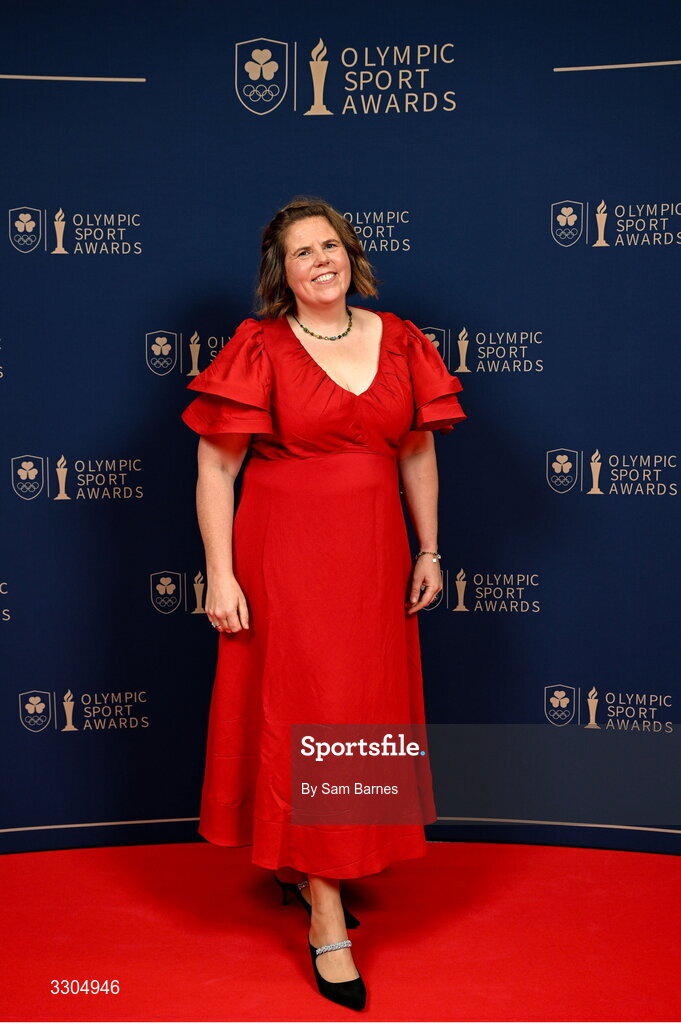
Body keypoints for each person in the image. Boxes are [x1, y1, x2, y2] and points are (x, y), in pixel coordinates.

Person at [181, 196, 467, 1011]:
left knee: (361, 712)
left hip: (373, 558)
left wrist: (430, 549)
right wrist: (220, 572)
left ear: (351, 255)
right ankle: (327, 917)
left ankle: (316, 863)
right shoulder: (259, 346)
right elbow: (214, 470)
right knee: (308, 710)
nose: (320, 260)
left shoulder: (400, 337)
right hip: (285, 558)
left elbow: (415, 450)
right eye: (302, 252)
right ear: (283, 272)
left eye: (330, 245)